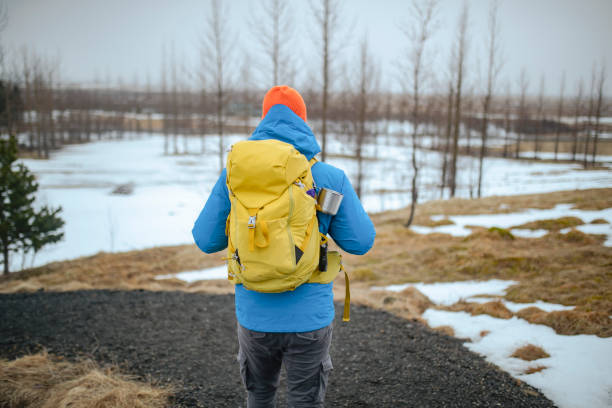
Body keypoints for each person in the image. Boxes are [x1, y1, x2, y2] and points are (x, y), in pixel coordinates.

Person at [192, 85, 375, 407]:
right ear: (303, 120)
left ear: (263, 120)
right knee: (305, 401)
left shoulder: (233, 175)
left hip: (254, 316)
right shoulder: (328, 176)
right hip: (310, 318)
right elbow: (360, 243)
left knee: (259, 395)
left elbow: (206, 241)